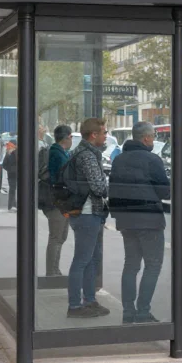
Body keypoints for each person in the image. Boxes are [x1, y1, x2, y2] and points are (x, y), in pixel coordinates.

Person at [109, 122, 171, 324]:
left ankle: (128, 311)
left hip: (126, 220)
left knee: (131, 265)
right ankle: (143, 311)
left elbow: (114, 189)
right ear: (145, 138)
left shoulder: (119, 160)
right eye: (153, 136)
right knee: (153, 265)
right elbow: (165, 191)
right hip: (149, 220)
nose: (154, 140)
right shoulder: (152, 160)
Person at [66, 118, 111, 318]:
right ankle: (75, 306)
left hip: (88, 213)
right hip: (86, 213)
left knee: (91, 259)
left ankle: (90, 301)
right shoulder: (88, 156)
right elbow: (98, 187)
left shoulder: (84, 153)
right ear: (94, 135)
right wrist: (110, 183)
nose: (106, 136)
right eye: (104, 132)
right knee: (82, 260)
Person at [45, 126, 73, 275]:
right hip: (57, 201)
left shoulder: (57, 152)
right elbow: (63, 178)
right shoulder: (58, 154)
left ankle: (55, 269)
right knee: (56, 237)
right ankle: (52, 271)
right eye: (71, 137)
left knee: (60, 236)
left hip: (57, 200)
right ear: (67, 137)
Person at [3, 142, 18, 211]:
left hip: (13, 174)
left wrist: (10, 169)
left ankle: (13, 205)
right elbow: (4, 164)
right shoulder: (9, 153)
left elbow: (4, 165)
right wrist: (11, 169)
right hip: (12, 175)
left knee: (13, 190)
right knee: (12, 189)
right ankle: (12, 205)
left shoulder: (11, 153)